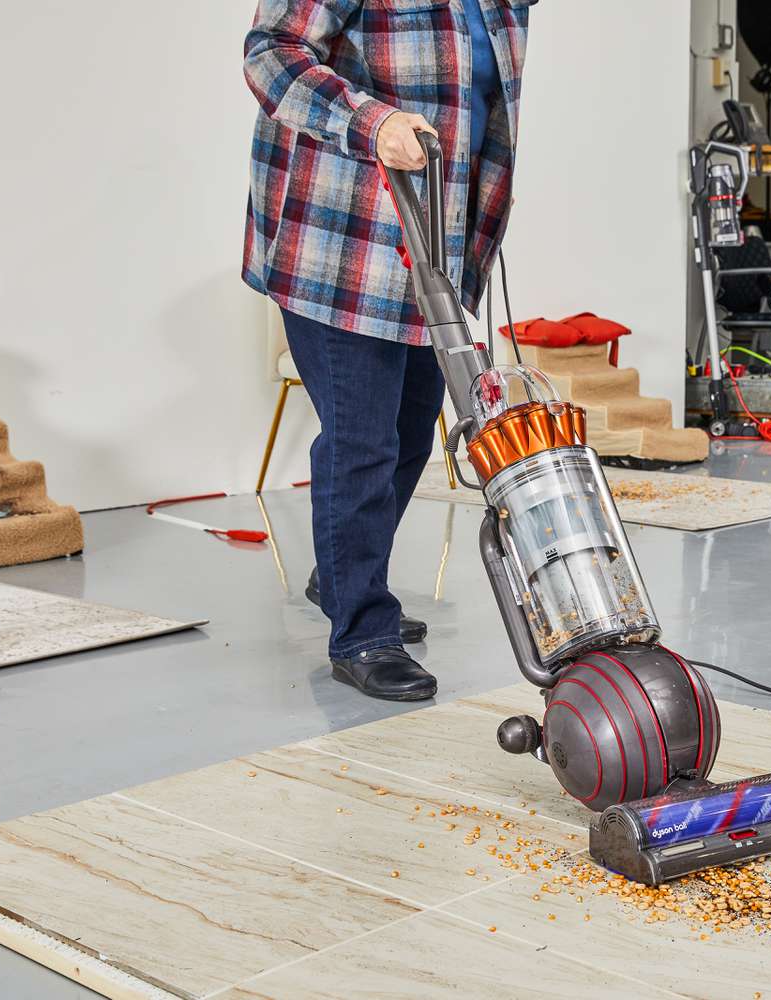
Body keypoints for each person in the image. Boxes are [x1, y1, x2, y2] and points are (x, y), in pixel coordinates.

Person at [242, 0, 534, 701]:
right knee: (361, 439)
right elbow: (270, 53)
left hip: (430, 244)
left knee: (409, 432)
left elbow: (483, 110)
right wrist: (371, 122)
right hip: (338, 237)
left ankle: (339, 575)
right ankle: (362, 629)